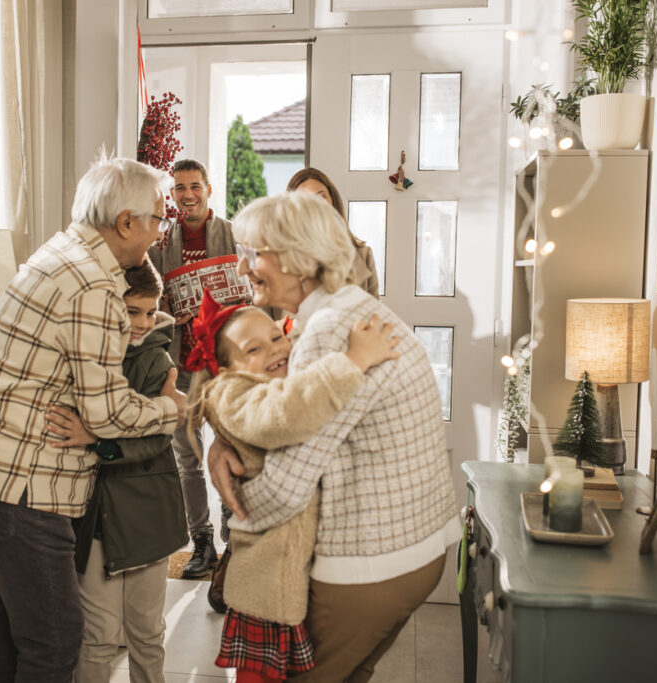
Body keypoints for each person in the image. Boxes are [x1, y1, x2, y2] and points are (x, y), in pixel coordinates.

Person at [0, 156, 186, 683]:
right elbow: (108, 411)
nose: (161, 232)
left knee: (13, 632)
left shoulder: (57, 252)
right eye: (158, 219)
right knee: (54, 642)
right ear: (125, 222)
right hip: (21, 488)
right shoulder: (94, 286)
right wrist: (169, 409)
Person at [209, 191, 461, 682]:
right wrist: (225, 442)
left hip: (372, 561)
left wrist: (237, 513)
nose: (243, 268)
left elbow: (286, 488)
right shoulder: (352, 310)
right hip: (418, 549)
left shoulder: (328, 331)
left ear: (300, 260)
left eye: (254, 253)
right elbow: (284, 413)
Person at [183, 292, 399, 682]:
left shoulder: (270, 382)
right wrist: (355, 360)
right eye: (253, 348)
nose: (274, 349)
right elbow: (286, 415)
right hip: (267, 589)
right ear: (226, 371)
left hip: (295, 576)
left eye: (276, 336)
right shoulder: (234, 395)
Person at [41, 260, 187, 683]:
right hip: (98, 516)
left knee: (146, 631)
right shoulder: (82, 355)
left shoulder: (158, 362)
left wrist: (98, 440)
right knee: (99, 634)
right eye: (131, 310)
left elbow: (159, 433)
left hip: (147, 514)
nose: (142, 322)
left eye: (149, 310)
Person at [147, 158, 234, 578]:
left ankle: (234, 541)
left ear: (209, 189)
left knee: (232, 453)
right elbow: (146, 303)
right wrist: (166, 311)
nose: (187, 195)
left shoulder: (234, 235)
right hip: (179, 369)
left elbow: (251, 289)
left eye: (194, 186)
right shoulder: (160, 245)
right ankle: (202, 543)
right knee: (187, 460)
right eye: (180, 188)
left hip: (223, 368)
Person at [285, 167, 380, 298]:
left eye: (321, 197)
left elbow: (375, 314)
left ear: (333, 202)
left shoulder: (364, 255)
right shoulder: (274, 258)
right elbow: (258, 315)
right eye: (304, 200)